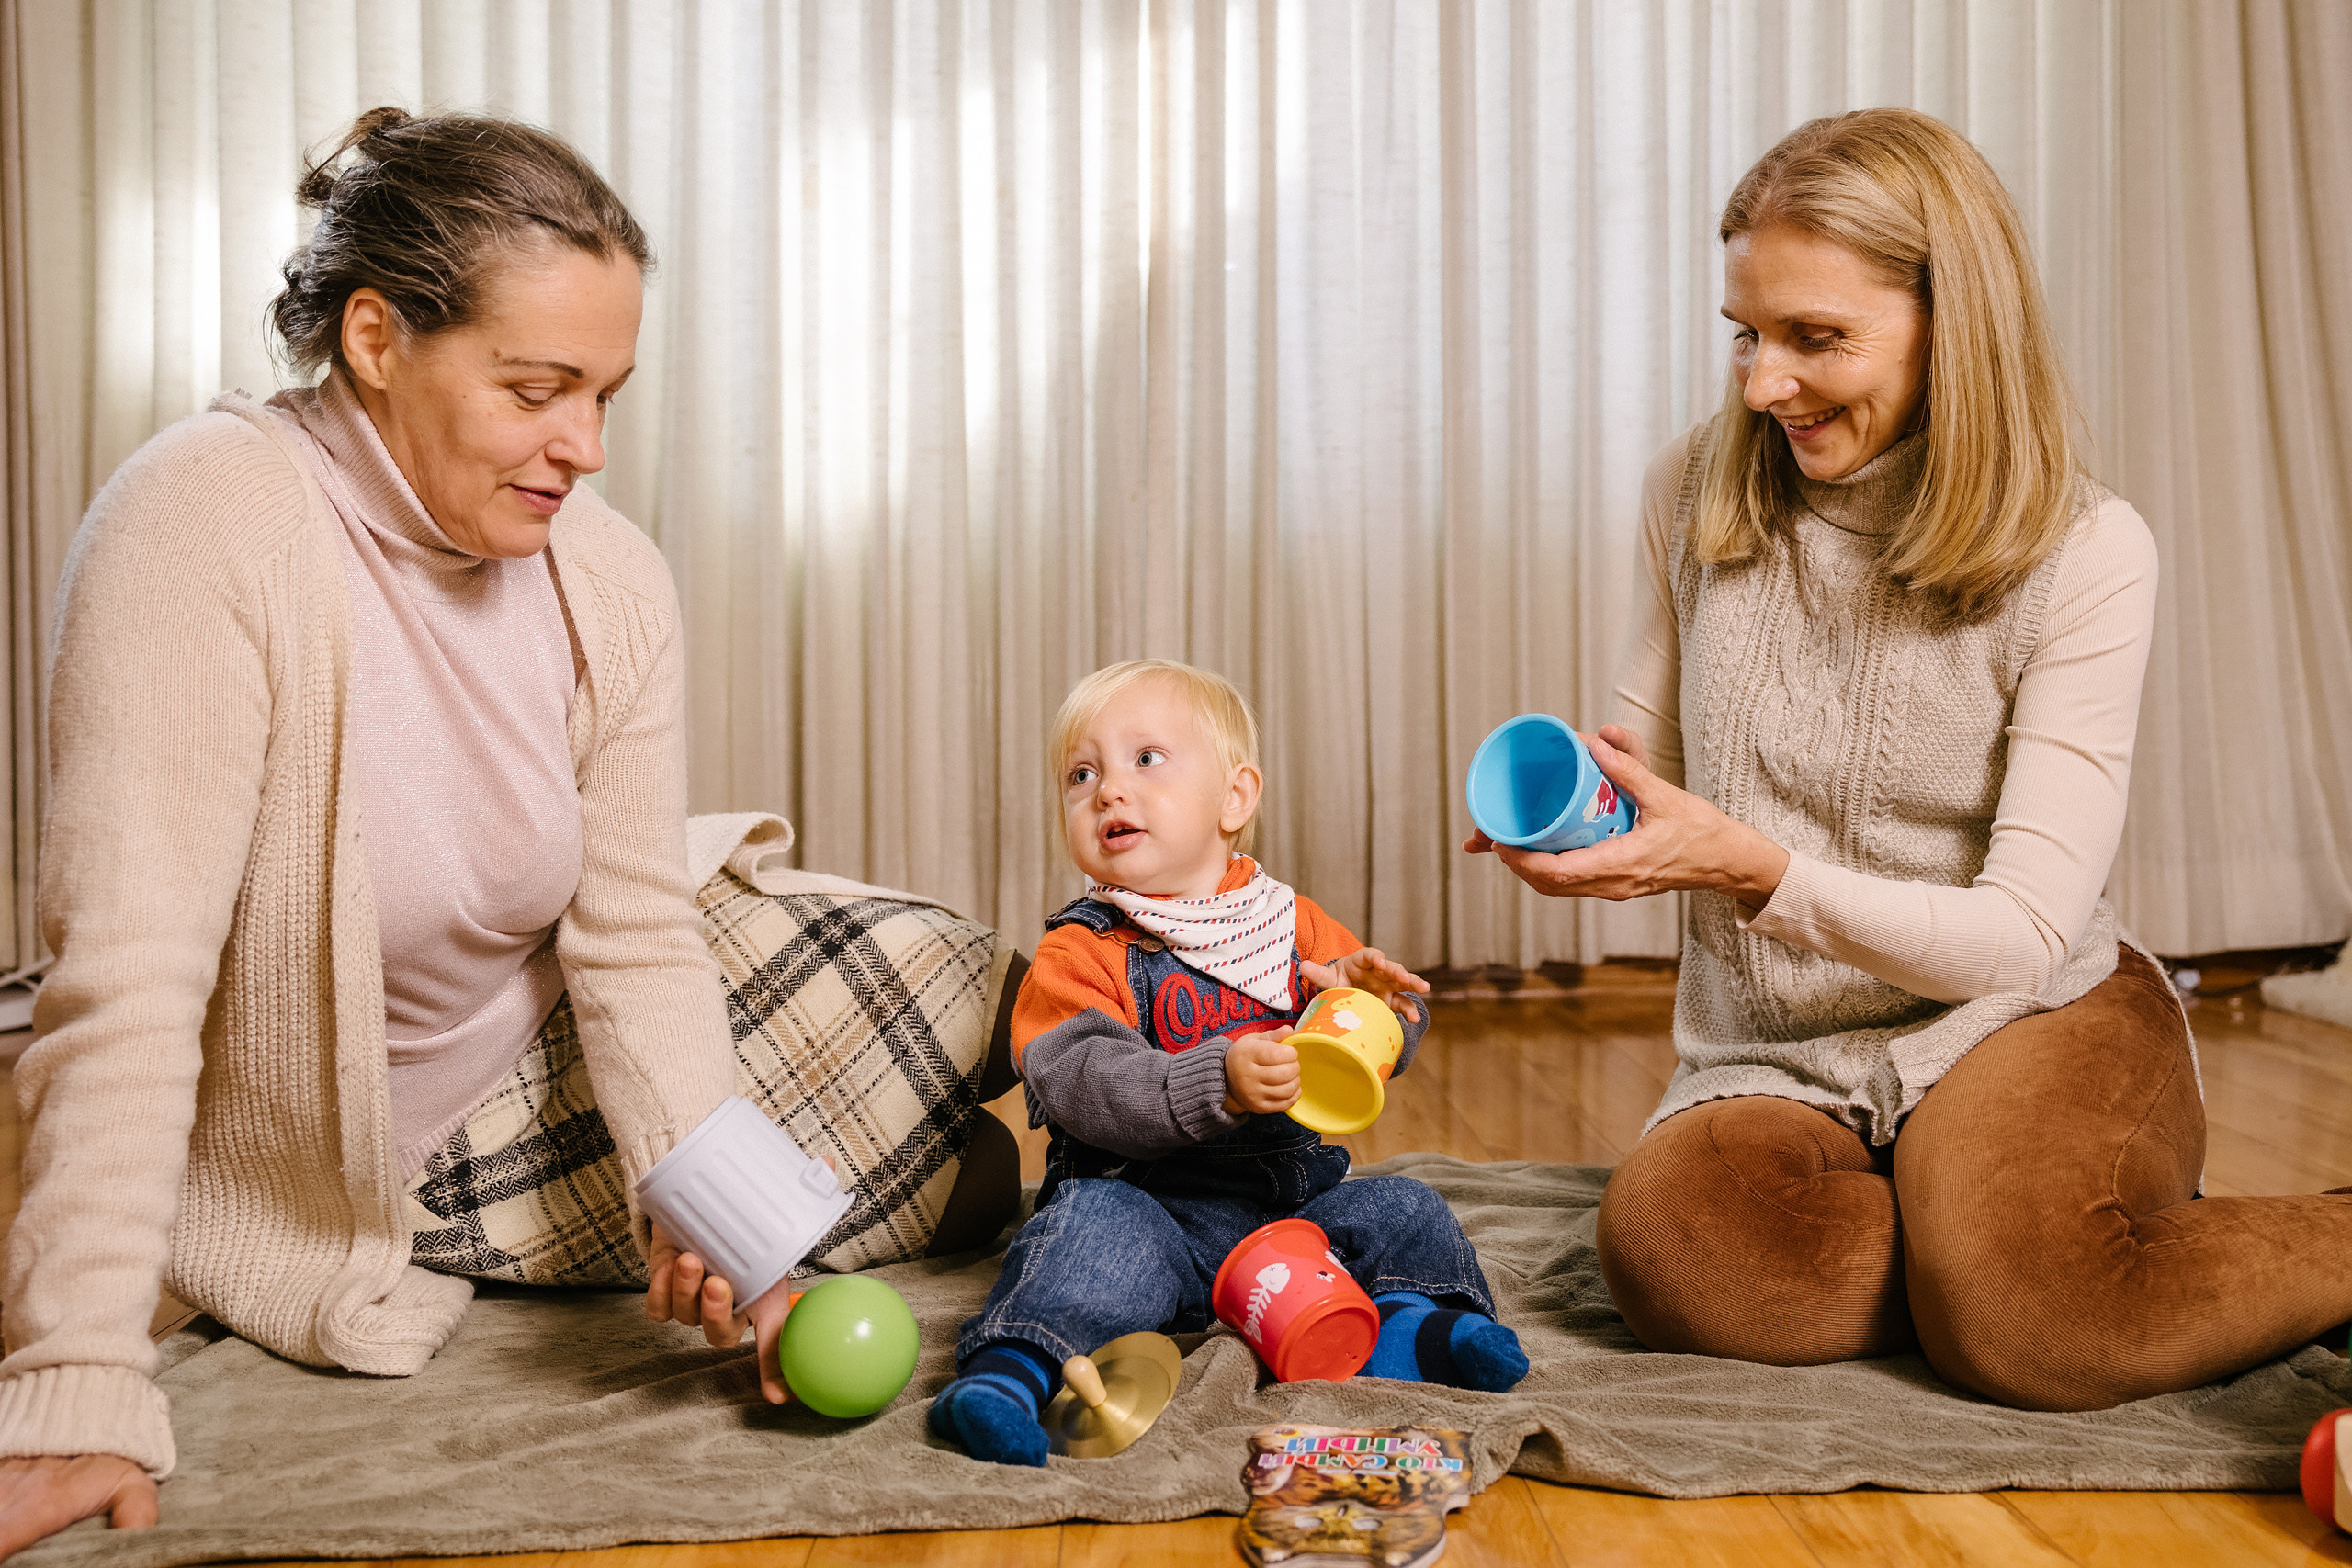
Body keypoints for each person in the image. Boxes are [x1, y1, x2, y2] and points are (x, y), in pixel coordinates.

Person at [0, 108, 1009, 1554]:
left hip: (541, 1013)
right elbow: (125, 980)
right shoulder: (199, 525)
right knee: (959, 1170)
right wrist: (70, 1379)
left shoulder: (608, 573)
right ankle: (925, 1183)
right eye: (538, 388)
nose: (584, 448)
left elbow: (639, 931)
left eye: (607, 394)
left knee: (969, 975)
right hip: (380, 1130)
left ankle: (942, 1167)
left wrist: (733, 1223)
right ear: (374, 339)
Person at [1469, 107, 2352, 1410]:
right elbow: (1634, 751)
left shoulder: (2089, 552)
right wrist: (1583, 826)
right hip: (1776, 1046)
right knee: (1683, 1253)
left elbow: (2015, 932)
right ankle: (1998, 1231)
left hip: (2024, 1008)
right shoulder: (1696, 487)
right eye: (1747, 333)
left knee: (2037, 1327)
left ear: (1958, 323)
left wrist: (1758, 868)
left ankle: (2095, 1245)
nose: (1765, 383)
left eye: (1816, 338)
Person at [929, 660, 1528, 1466]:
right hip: (1151, 1210)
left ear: (1235, 798)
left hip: (1292, 1214)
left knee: (1405, 1208)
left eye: (1146, 759)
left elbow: (1369, 1058)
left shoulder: (1288, 923)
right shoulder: (1079, 948)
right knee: (1082, 1234)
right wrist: (1215, 1078)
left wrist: (1371, 1006)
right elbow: (1078, 1080)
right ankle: (1013, 1369)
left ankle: (1413, 1329)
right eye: (1082, 773)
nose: (1108, 789)